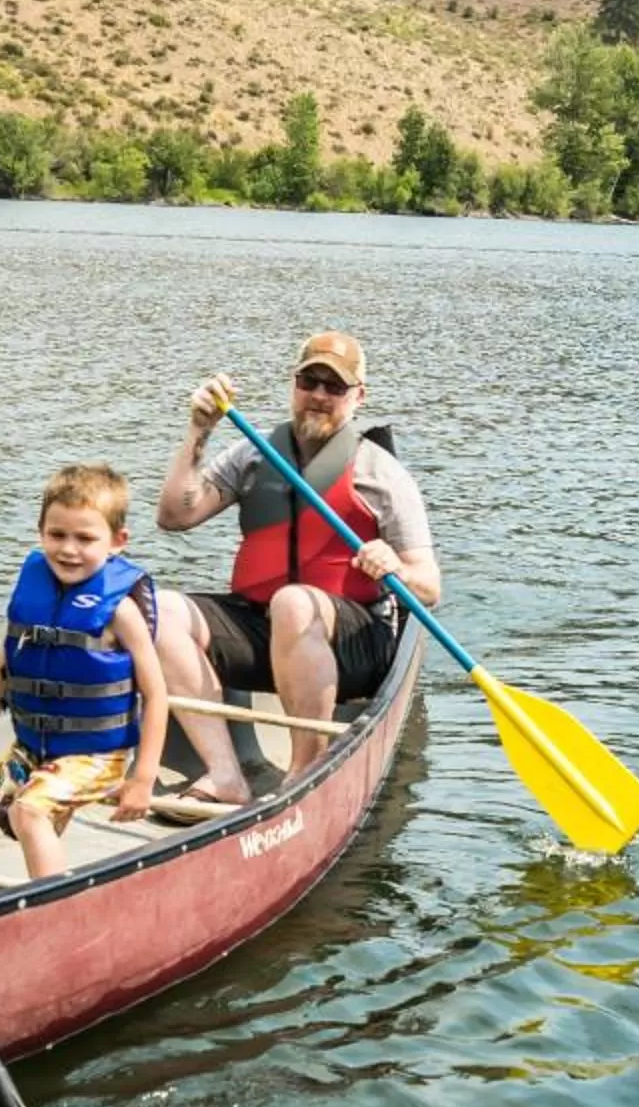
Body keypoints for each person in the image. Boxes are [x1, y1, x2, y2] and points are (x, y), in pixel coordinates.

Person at [152, 331, 441, 812]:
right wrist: (198, 434)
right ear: (295, 384)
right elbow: (175, 517)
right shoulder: (253, 455)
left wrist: (394, 565)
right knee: (157, 609)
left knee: (294, 603)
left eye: (336, 387)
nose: (320, 396)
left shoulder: (382, 473)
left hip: (351, 644)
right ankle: (225, 774)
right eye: (310, 381)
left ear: (358, 397)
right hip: (263, 627)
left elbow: (429, 586)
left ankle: (304, 773)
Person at [0, 464, 169, 879]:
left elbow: (157, 695)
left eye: (85, 538)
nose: (69, 549)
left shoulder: (120, 612)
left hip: (95, 755)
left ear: (117, 542)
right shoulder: (28, 597)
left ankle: (50, 905)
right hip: (31, 747)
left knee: (29, 812)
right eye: (57, 535)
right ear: (41, 533)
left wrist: (142, 778)